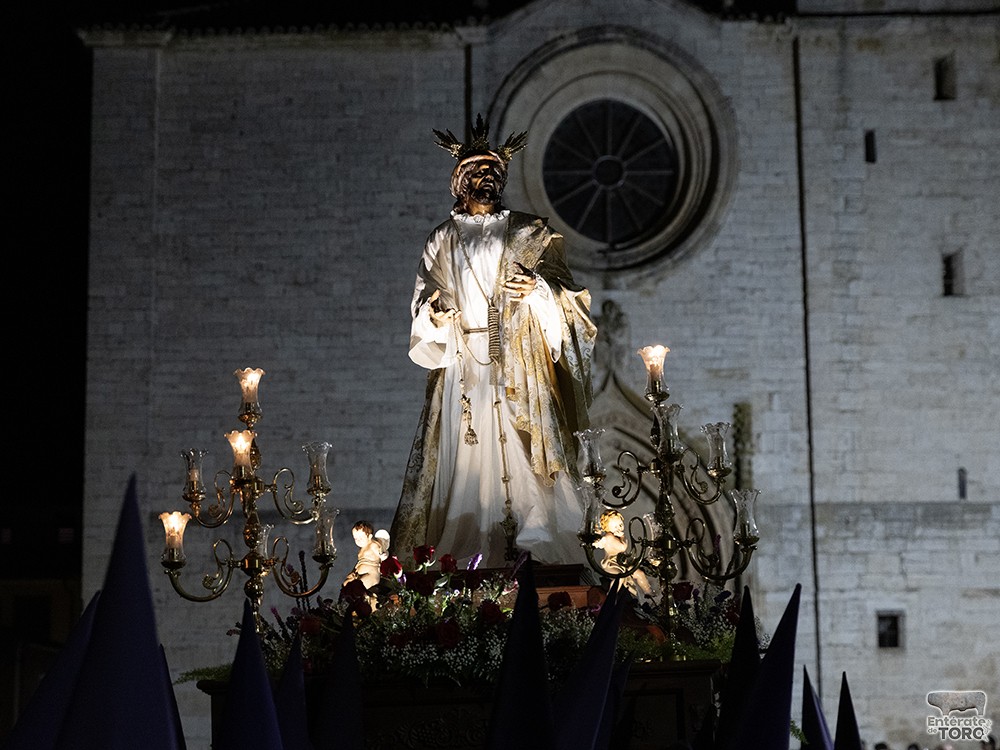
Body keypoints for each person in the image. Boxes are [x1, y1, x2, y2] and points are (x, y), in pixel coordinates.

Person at [390, 116, 596, 568]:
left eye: (494, 173)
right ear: (459, 182)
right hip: (465, 362)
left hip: (522, 357)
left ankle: (536, 531)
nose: (488, 178)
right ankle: (467, 542)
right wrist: (435, 314)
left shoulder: (530, 231)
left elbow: (569, 296)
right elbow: (425, 295)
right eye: (478, 172)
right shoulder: (442, 239)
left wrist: (540, 290)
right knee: (467, 454)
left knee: (524, 444)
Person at [594, 510, 656, 601]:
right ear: (607, 527)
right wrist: (623, 536)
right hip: (612, 564)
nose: (619, 528)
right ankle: (611, 597)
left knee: (639, 573)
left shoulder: (615, 535)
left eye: (620, 524)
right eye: (615, 526)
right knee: (619, 578)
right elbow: (622, 547)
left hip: (623, 563)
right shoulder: (609, 537)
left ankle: (648, 592)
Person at [343, 520, 389, 590]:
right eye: (356, 538)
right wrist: (353, 572)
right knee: (345, 584)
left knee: (358, 587)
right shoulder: (361, 550)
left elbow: (383, 552)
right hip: (358, 575)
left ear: (370, 536)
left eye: (361, 538)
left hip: (371, 575)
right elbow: (359, 563)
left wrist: (384, 555)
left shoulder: (373, 545)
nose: (358, 540)